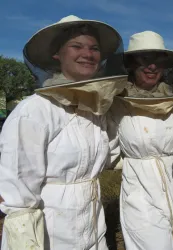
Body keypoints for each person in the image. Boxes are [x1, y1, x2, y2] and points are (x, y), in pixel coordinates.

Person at [0, 15, 127, 250]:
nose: (87, 54)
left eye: (94, 48)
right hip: (51, 231)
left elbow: (108, 156)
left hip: (93, 223)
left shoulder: (95, 110)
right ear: (57, 54)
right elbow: (18, 193)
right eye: (76, 46)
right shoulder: (34, 110)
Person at [108, 31, 173, 250]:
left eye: (157, 61)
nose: (152, 67)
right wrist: (129, 166)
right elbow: (106, 148)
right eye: (144, 60)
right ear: (132, 64)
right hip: (139, 193)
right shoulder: (116, 103)